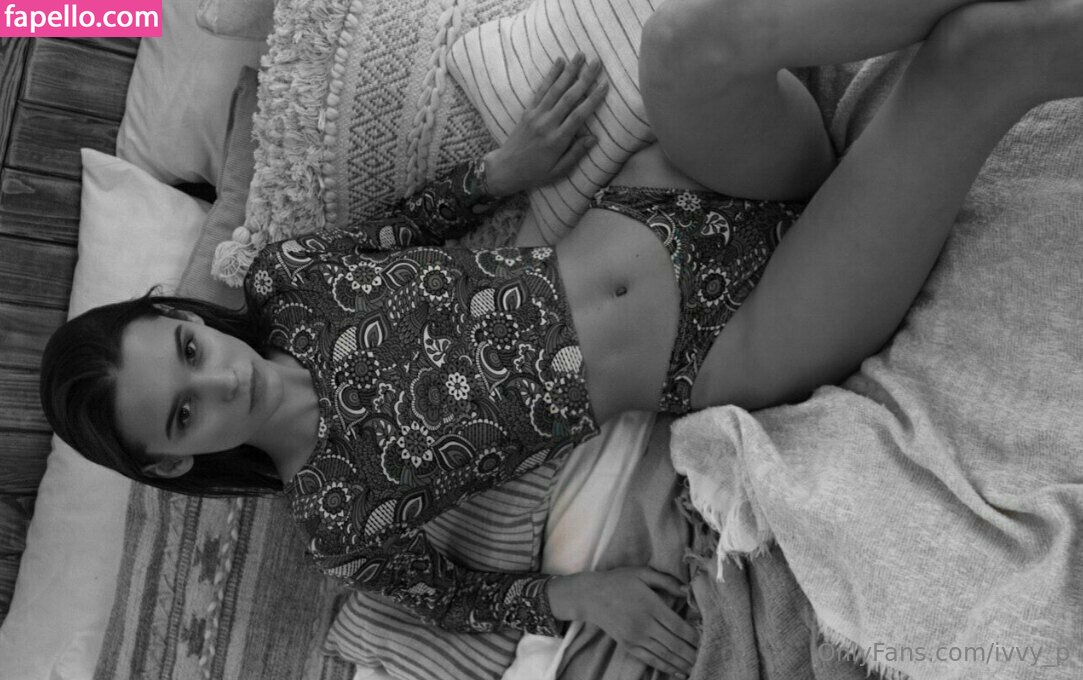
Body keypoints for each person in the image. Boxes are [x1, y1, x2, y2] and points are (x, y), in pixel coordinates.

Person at [39, 0, 1083, 675]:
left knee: (684, 38)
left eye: (186, 352)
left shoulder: (289, 278)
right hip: (737, 337)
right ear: (173, 458)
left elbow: (410, 224)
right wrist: (585, 596)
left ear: (184, 317)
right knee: (973, 61)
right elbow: (460, 597)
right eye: (183, 412)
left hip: (680, 190)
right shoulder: (339, 518)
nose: (217, 382)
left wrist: (508, 168)